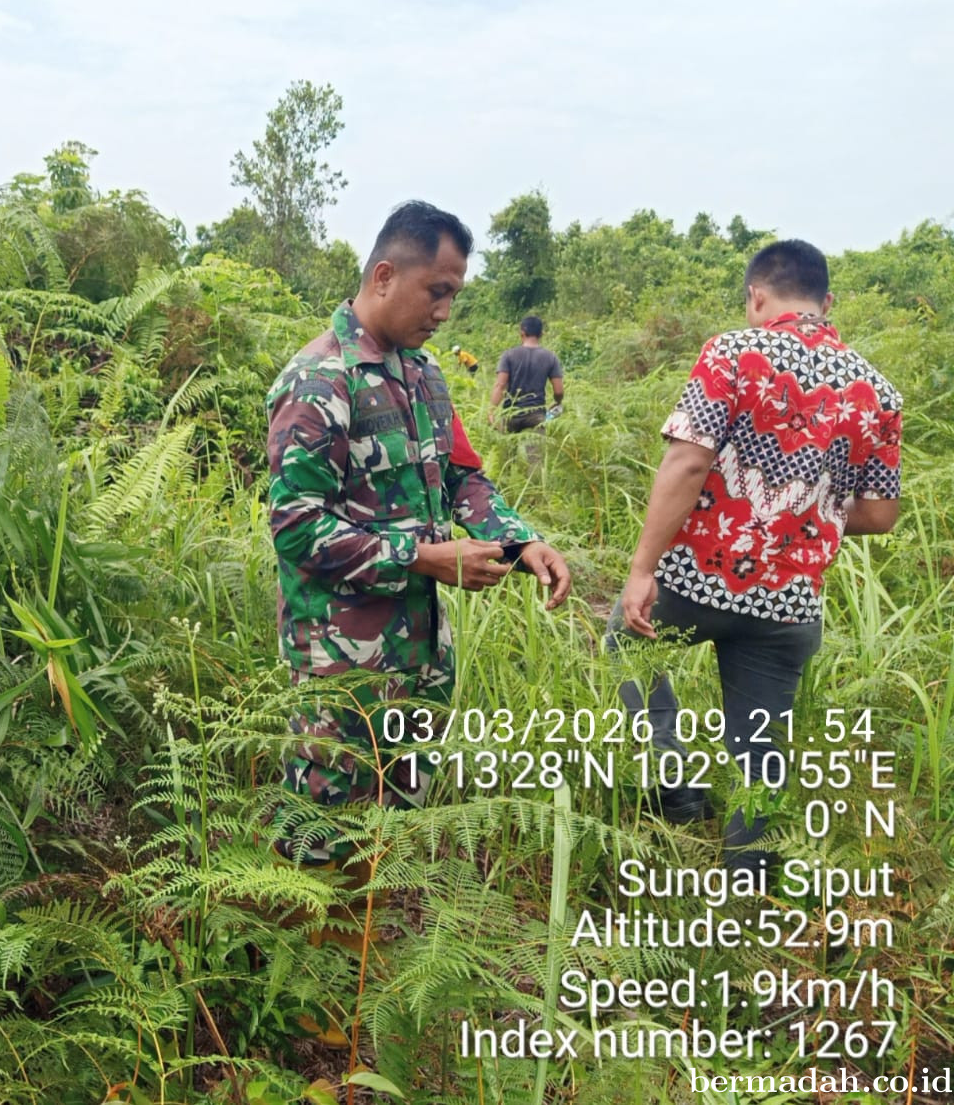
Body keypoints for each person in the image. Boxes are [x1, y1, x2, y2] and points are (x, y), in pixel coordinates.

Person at [266, 200, 573, 865]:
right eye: (437, 291)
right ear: (383, 277)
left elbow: (463, 479)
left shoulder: (425, 376)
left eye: (454, 296)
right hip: (340, 666)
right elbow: (295, 525)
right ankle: (312, 958)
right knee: (320, 843)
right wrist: (423, 558)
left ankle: (366, 948)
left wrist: (522, 542)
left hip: (421, 654)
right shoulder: (321, 380)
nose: (444, 312)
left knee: (390, 825)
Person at [609, 239, 902, 888]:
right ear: (828, 303)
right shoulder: (878, 390)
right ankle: (748, 898)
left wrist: (641, 568)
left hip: (696, 580)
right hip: (790, 606)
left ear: (756, 297)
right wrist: (805, 514)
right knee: (760, 754)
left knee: (625, 645)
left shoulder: (733, 351)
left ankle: (673, 778)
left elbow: (688, 462)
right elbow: (881, 514)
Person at [491, 316, 565, 433]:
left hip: (511, 413)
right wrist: (558, 402)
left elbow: (500, 385)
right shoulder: (551, 357)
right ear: (541, 334)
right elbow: (559, 391)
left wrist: (491, 411)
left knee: (508, 450)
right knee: (535, 451)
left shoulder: (508, 355)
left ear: (522, 333)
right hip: (536, 415)